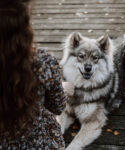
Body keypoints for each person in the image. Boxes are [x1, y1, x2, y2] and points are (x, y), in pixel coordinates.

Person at [0, 0, 73, 149]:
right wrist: (65, 89)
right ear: (25, 27)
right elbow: (57, 107)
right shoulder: (43, 61)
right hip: (39, 143)